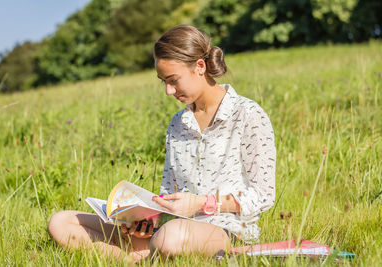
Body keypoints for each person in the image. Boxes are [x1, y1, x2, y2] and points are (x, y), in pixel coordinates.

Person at [47, 25, 276, 263]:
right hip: (171, 228)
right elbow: (168, 194)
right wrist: (145, 220)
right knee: (62, 222)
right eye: (163, 81)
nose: (168, 91)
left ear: (200, 66)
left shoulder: (248, 114)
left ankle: (139, 254)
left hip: (226, 230)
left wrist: (202, 203)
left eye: (173, 80)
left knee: (170, 237)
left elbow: (263, 195)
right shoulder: (177, 123)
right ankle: (134, 258)